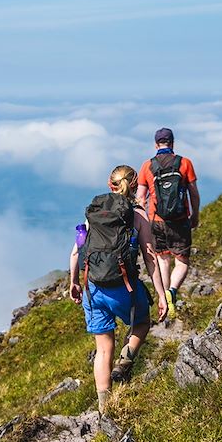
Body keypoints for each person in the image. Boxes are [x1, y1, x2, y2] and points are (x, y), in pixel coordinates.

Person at [69, 165, 168, 413]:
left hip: (93, 287)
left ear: (109, 184)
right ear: (135, 185)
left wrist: (74, 282)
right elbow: (150, 257)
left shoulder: (94, 212)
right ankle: (125, 360)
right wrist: (161, 294)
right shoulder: (137, 214)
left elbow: (76, 250)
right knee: (142, 323)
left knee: (103, 348)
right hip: (124, 288)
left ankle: (106, 409)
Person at [136, 127, 200, 318]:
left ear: (156, 145)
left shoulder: (147, 166)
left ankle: (164, 299)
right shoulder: (185, 163)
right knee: (182, 261)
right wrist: (195, 215)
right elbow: (194, 193)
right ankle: (172, 291)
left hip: (156, 220)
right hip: (180, 220)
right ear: (172, 143)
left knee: (162, 259)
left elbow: (140, 198)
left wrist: (144, 223)